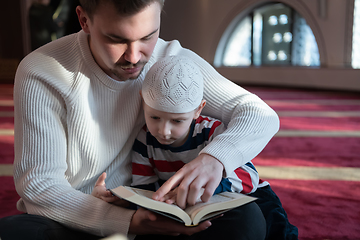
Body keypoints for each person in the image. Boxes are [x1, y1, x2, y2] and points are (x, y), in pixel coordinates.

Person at [0, 0, 297, 239]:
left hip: (161, 210)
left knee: (245, 221)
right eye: (116, 39)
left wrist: (214, 159)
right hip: (84, 215)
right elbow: (39, 185)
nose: (134, 57)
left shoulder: (171, 62)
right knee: (16, 233)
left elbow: (258, 114)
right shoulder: (42, 71)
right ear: (84, 20)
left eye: (147, 37)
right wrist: (126, 221)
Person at [92, 55, 260, 206]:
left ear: (198, 110)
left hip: (245, 198)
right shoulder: (145, 140)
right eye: (155, 118)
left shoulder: (212, 132)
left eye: (177, 121)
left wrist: (209, 186)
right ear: (143, 101)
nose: (164, 131)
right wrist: (118, 199)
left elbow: (250, 177)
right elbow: (145, 190)